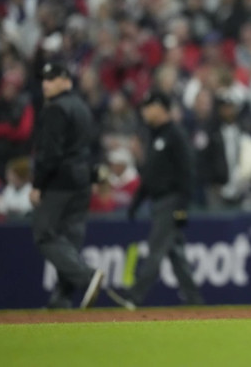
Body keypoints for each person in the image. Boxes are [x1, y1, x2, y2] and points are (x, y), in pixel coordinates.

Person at [107, 91, 204, 310]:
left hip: (170, 201)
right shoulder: (155, 135)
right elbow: (150, 175)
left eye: (148, 106)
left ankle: (134, 297)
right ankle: (194, 299)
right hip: (159, 201)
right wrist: (136, 202)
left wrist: (181, 206)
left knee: (155, 250)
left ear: (160, 107)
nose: (144, 111)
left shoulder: (175, 134)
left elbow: (187, 172)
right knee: (175, 253)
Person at [30, 61, 103, 309]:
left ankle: (86, 276)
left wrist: (38, 184)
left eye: (51, 79)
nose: (45, 84)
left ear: (65, 80)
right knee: (70, 238)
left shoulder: (56, 108)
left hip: (61, 179)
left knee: (44, 232)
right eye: (44, 79)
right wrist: (93, 178)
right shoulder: (82, 107)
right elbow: (94, 145)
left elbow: (49, 152)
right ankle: (61, 299)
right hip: (82, 179)